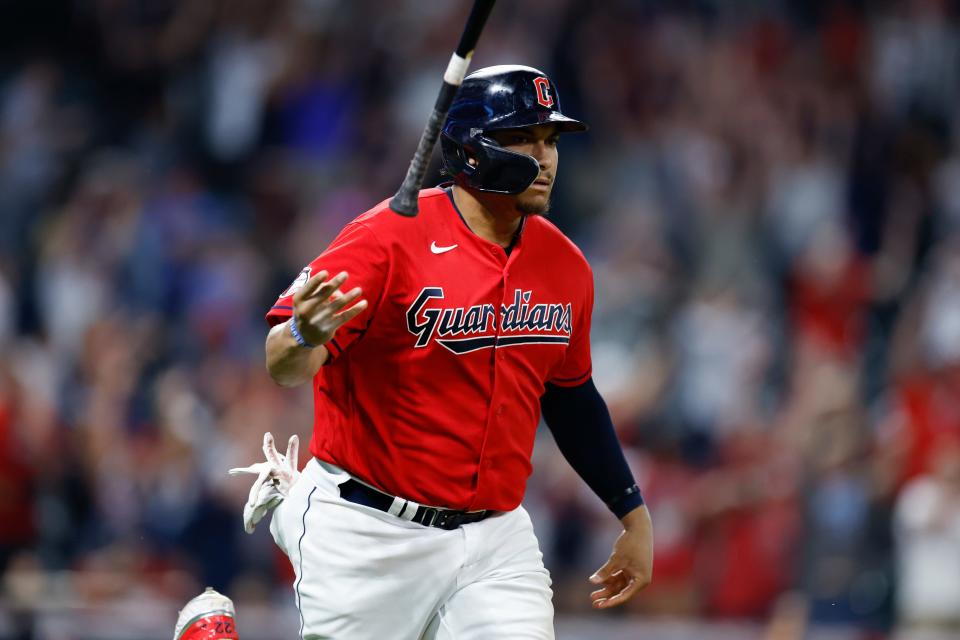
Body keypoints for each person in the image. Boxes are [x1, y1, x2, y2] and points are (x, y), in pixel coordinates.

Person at [232, 64, 654, 639]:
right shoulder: (384, 239)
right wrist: (305, 334)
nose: (546, 157)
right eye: (523, 137)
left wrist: (632, 513)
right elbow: (282, 363)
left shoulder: (566, 266)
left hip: (494, 540)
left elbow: (572, 396)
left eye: (550, 139)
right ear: (474, 150)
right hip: (368, 528)